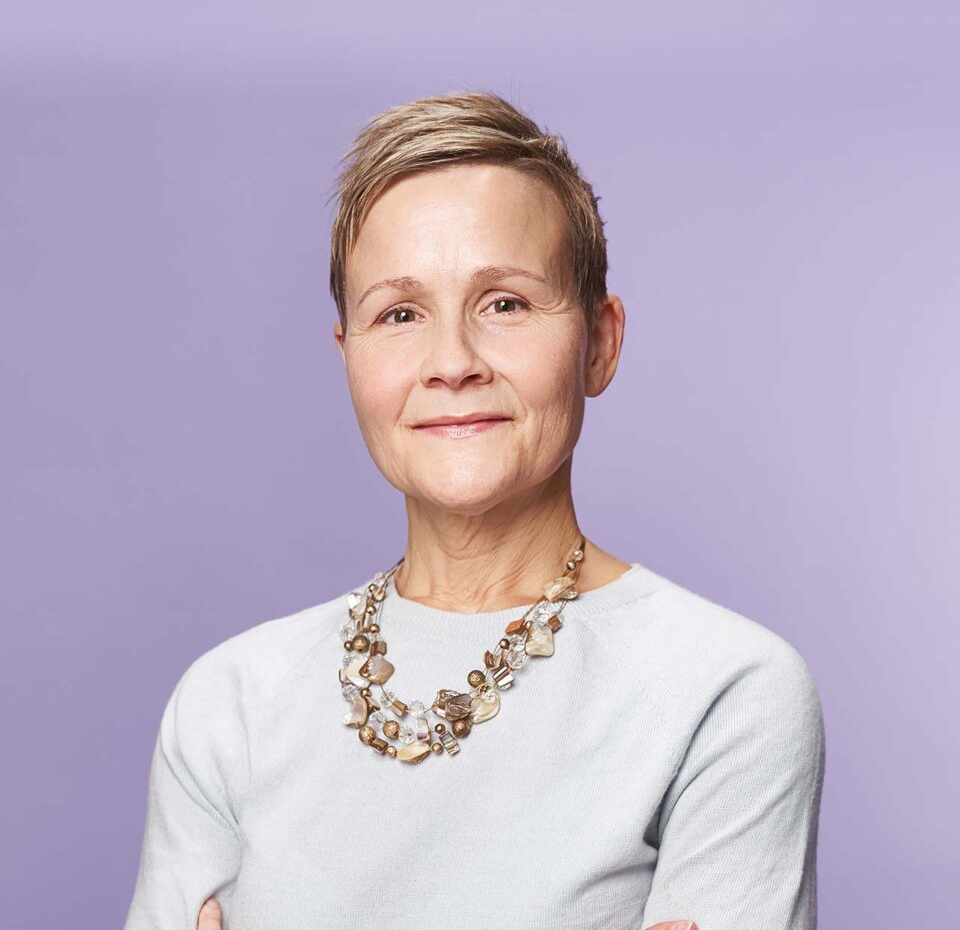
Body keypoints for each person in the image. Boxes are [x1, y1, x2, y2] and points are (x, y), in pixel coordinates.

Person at [123, 90, 825, 930]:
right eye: (399, 314)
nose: (452, 362)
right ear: (348, 357)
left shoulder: (726, 691)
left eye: (506, 303)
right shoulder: (229, 701)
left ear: (599, 342)